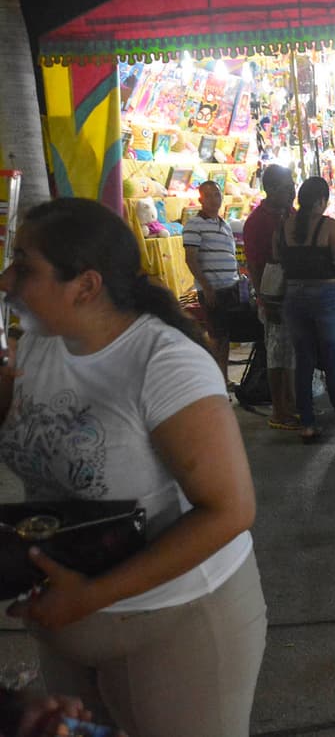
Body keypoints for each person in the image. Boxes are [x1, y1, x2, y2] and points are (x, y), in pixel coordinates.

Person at [0, 199, 266, 736]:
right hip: (70, 629)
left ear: (86, 285)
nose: (7, 279)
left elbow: (230, 510)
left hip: (178, 626)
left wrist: (91, 596)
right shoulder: (36, 349)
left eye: (25, 266)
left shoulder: (164, 363)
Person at [276, 178, 335, 442]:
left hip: (294, 296)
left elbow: (278, 257)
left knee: (304, 361)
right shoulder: (329, 226)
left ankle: (307, 424)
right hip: (326, 296)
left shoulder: (284, 226)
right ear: (320, 201)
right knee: (332, 362)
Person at [242, 164, 298, 429]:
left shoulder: (291, 213)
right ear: (272, 189)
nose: (292, 191)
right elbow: (253, 264)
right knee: (276, 353)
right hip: (272, 295)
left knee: (291, 353)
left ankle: (292, 402)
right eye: (287, 187)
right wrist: (263, 299)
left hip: (293, 295)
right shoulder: (256, 221)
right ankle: (280, 410)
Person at [182, 180, 240, 382]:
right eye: (210, 195)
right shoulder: (194, 225)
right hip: (213, 290)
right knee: (217, 338)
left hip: (230, 287)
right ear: (201, 199)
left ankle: (223, 379)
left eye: (217, 194)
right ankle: (218, 381)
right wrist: (206, 287)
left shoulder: (224, 225)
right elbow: (191, 258)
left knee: (225, 337)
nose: (215, 199)